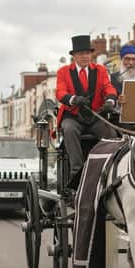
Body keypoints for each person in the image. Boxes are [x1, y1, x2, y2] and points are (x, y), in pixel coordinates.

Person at [55, 35, 118, 186]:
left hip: (95, 117)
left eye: (87, 53)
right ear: (74, 56)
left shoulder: (100, 70)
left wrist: (110, 100)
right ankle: (76, 171)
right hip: (73, 116)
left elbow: (108, 87)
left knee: (111, 134)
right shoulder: (63, 72)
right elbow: (60, 93)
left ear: (91, 55)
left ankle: (110, 168)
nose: (85, 56)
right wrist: (73, 99)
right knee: (69, 129)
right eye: (81, 54)